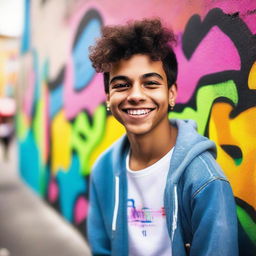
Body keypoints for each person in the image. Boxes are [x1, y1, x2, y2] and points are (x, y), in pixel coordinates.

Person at [87, 19, 238, 256]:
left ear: (171, 94)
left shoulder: (205, 182)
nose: (135, 95)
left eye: (150, 83)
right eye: (122, 85)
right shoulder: (103, 171)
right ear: (108, 98)